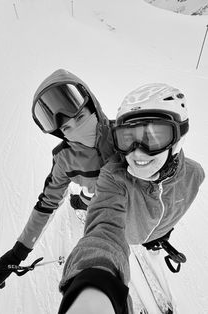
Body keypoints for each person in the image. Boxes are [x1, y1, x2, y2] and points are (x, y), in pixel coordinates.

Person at [57, 83, 205, 314]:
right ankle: (81, 202)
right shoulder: (113, 177)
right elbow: (104, 231)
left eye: (154, 137)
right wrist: (96, 282)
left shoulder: (195, 175)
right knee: (91, 200)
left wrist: (163, 234)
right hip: (124, 232)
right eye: (127, 138)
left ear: (177, 138)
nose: (137, 152)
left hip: (150, 234)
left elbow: (175, 209)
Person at [0, 68, 115, 293]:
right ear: (61, 134)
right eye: (67, 128)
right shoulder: (65, 159)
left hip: (119, 196)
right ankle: (84, 201)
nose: (77, 129)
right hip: (97, 197)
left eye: (80, 117)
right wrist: (18, 252)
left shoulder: (124, 136)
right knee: (93, 196)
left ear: (94, 108)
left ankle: (83, 200)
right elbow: (46, 204)